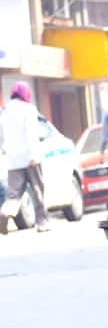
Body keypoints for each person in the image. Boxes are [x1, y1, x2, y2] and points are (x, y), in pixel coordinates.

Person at [0, 82, 51, 232]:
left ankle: (5, 212)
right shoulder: (29, 109)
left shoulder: (4, 110)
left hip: (13, 159)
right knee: (37, 190)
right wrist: (33, 154)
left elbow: (1, 133)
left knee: (13, 194)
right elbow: (31, 133)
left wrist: (4, 148)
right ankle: (42, 223)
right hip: (30, 158)